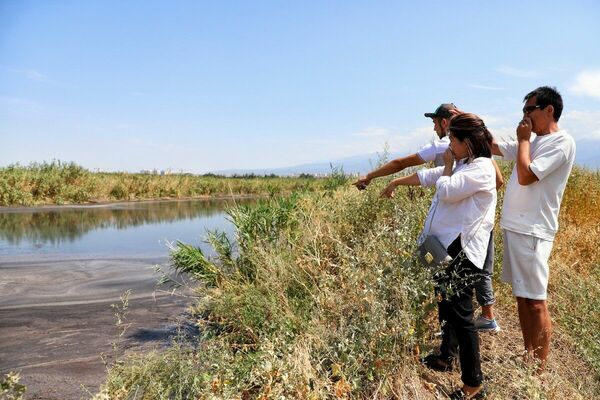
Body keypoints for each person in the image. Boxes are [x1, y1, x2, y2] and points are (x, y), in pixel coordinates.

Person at [354, 103, 502, 332]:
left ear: (446, 122)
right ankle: (476, 320)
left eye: (435, 122)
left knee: (457, 288)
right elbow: (498, 181)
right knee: (469, 276)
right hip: (473, 222)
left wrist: (372, 176)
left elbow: (402, 164)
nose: (434, 128)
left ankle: (463, 336)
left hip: (459, 231)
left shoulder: (448, 147)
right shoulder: (474, 156)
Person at [380, 113, 496, 399]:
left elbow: (446, 191)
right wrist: (397, 182)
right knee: (445, 305)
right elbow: (427, 177)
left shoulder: (480, 169)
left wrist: (446, 166)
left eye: (452, 141)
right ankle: (446, 357)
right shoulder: (464, 164)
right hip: (444, 247)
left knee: (463, 317)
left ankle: (473, 385)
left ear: (466, 142)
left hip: (462, 252)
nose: (449, 148)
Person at [492, 86, 575, 371]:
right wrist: (466, 120)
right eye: (523, 111)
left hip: (533, 232)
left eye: (530, 110)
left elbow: (527, 175)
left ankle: (538, 372)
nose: (524, 117)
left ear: (548, 110)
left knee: (536, 302)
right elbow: (491, 145)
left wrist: (524, 140)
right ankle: (529, 356)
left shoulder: (561, 142)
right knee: (523, 297)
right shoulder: (532, 141)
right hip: (517, 228)